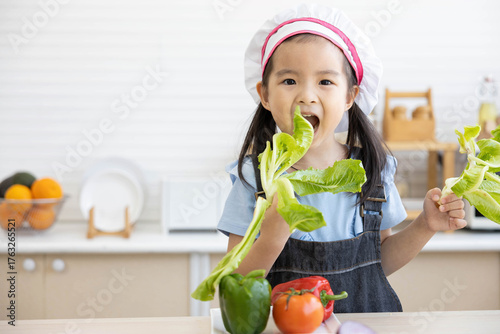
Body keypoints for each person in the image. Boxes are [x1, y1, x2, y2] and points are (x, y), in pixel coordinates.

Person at [217, 3, 466, 313]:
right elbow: (233, 290)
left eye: (325, 81)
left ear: (350, 96)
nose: (307, 96)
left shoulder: (371, 171)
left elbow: (380, 261)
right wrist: (271, 237)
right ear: (265, 94)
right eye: (289, 81)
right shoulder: (253, 180)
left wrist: (426, 226)